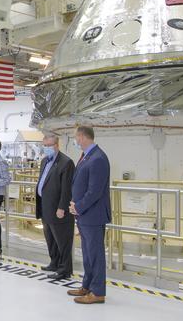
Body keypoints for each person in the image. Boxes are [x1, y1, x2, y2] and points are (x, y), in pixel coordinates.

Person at [68, 126, 111, 304]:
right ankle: (87, 286)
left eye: (76, 137)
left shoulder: (98, 158)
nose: (75, 141)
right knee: (87, 254)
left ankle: (98, 292)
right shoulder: (87, 156)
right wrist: (75, 205)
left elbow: (95, 191)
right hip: (84, 214)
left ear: (83, 137)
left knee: (95, 255)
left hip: (93, 215)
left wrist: (78, 207)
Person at [35, 134, 75, 279]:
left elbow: (67, 189)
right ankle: (54, 262)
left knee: (62, 240)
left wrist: (62, 207)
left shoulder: (66, 162)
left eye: (49, 145)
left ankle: (65, 270)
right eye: (44, 145)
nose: (46, 148)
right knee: (50, 238)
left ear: (57, 145)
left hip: (58, 208)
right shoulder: (45, 161)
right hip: (45, 206)